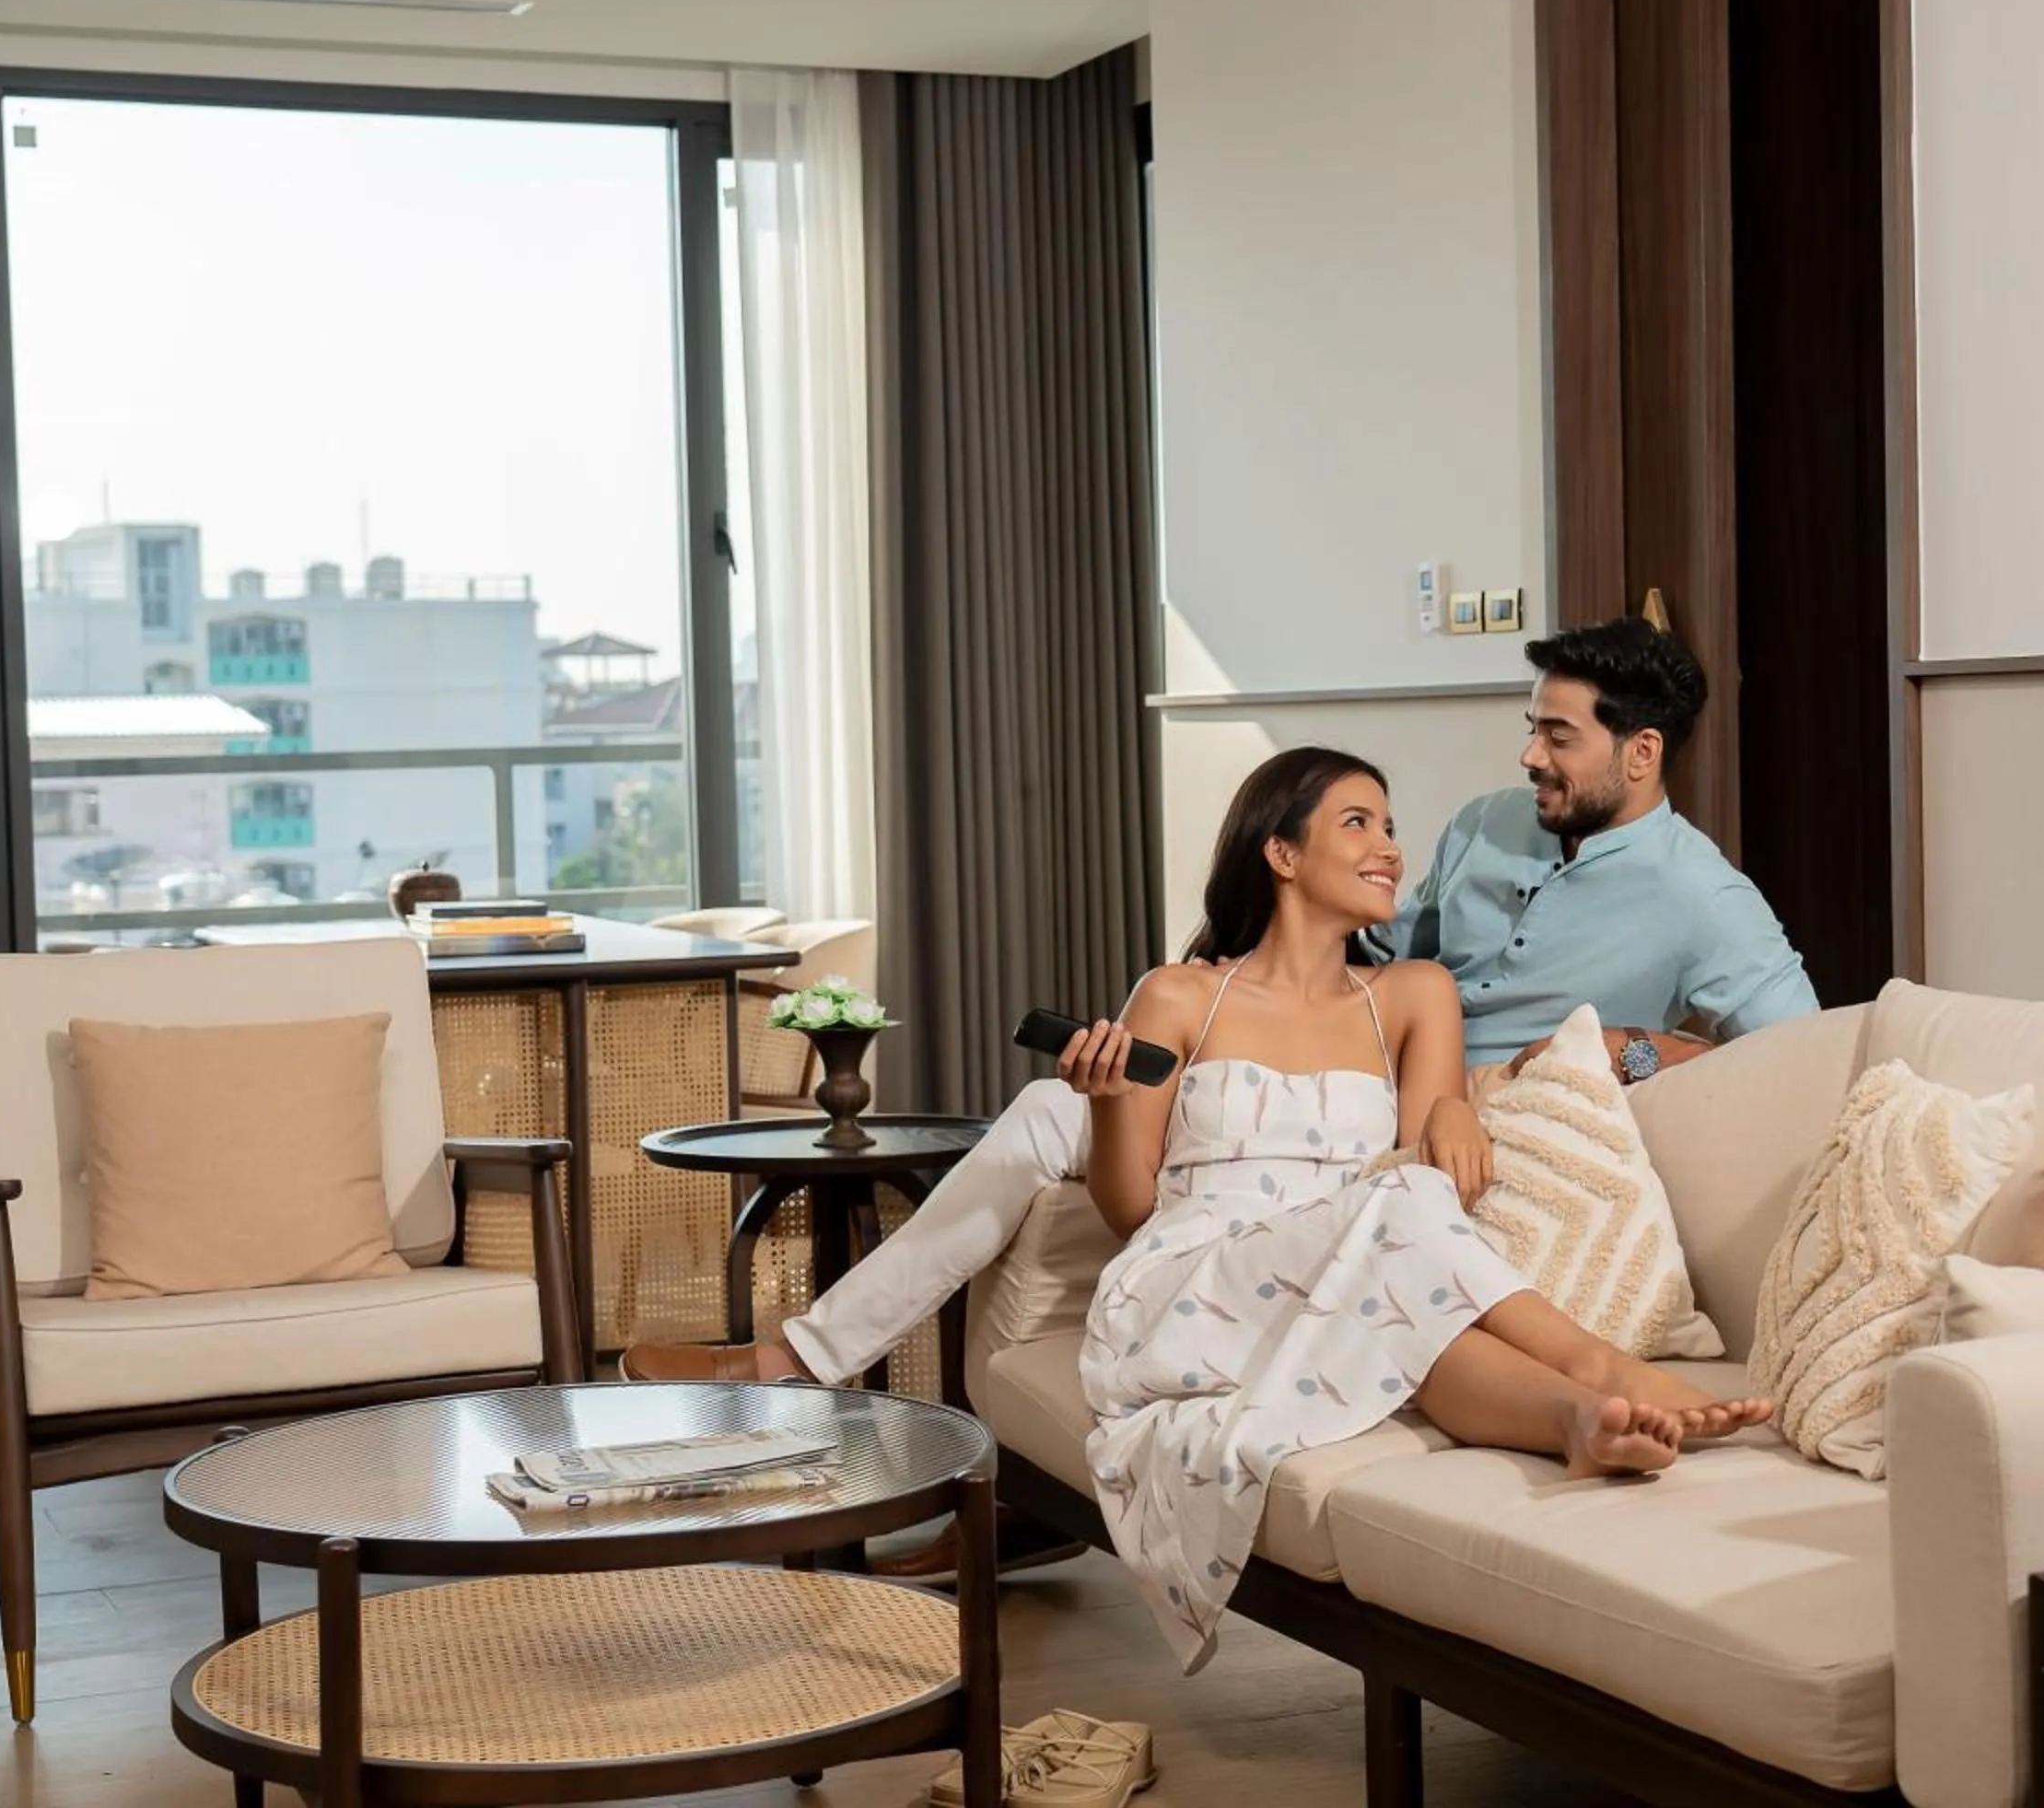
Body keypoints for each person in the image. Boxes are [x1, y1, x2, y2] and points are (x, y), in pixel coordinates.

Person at [624, 617, 1814, 1573]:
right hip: (1365, 1103)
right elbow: (1383, 954)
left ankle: (1585, 1397)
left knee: (1369, 1201)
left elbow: (1802, 1044)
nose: (1528, 758)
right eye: (1532, 729)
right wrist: (1235, 1013)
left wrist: (1624, 1052)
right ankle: (819, 1365)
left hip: (1472, 1115)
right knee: (1054, 1109)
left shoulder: (1701, 895)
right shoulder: (1487, 831)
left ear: (1640, 752)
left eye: (1555, 736)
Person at [1069, 746, 1768, 1670]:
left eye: (1391, 826)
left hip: (1353, 1270)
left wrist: (1450, 1107)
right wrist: (1106, 1097)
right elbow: (1129, 1208)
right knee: (1398, 1206)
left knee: (1407, 1287)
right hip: (1196, 1280)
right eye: (1357, 823)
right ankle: (1600, 1363)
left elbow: (1428, 1173)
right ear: (1281, 853)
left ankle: (1577, 1421)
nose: (1390, 846)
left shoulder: (1410, 993)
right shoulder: (1178, 993)